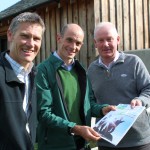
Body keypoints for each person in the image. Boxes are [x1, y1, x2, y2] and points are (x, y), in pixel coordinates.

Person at [36, 23, 115, 150]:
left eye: (78, 43)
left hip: (81, 144)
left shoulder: (81, 71)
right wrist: (75, 128)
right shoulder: (43, 70)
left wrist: (102, 110)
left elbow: (89, 104)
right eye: (69, 40)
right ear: (58, 38)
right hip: (55, 145)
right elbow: (44, 113)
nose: (73, 46)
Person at [87, 22, 150, 150]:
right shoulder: (91, 70)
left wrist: (140, 100)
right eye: (101, 40)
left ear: (118, 40)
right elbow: (89, 102)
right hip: (107, 141)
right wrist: (102, 109)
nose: (105, 44)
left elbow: (148, 88)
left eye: (109, 39)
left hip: (138, 141)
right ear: (95, 43)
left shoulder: (134, 62)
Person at [0, 12, 45, 150]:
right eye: (25, 36)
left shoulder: (33, 74)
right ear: (10, 35)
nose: (31, 44)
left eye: (36, 38)